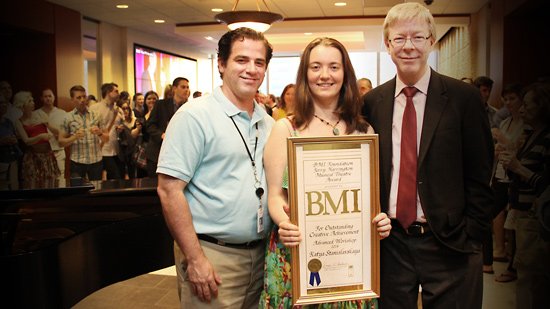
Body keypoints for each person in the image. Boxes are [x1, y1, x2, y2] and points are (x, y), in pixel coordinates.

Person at [361, 3, 494, 308]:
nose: (409, 46)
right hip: (390, 245)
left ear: (432, 42)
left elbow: (481, 172)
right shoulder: (372, 103)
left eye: (418, 37)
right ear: (387, 45)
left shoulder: (464, 99)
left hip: (450, 244)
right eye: (399, 38)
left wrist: (471, 233)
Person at [259, 37, 391, 309]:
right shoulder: (286, 129)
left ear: (345, 73)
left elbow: (367, 199)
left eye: (334, 67)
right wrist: (283, 223)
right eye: (316, 67)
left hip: (349, 258)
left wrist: (378, 220)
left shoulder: (364, 132)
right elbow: (274, 195)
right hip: (297, 252)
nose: (325, 75)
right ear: (305, 74)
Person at [156, 27, 275, 308]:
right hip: (212, 256)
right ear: (221, 64)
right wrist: (195, 259)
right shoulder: (194, 116)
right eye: (241, 60)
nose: (251, 69)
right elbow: (168, 190)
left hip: (261, 255)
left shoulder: (267, 121)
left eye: (259, 63)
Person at [500, 81, 550, 309]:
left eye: (527, 104)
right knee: (525, 273)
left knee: (531, 278)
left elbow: (544, 184)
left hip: (535, 218)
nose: (521, 109)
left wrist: (518, 167)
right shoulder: (529, 135)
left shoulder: (546, 139)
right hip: (522, 213)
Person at [13, 91, 60, 188]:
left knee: (51, 184)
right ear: (23, 104)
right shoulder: (19, 121)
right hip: (33, 157)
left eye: (33, 100)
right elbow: (26, 141)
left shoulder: (41, 114)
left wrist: (49, 126)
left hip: (47, 156)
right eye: (30, 101)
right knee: (33, 184)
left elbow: (56, 130)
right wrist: (40, 136)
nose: (33, 103)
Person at [145, 77, 189, 177]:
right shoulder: (161, 104)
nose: (186, 90)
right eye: (183, 87)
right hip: (158, 154)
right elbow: (150, 125)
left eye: (187, 87)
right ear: (174, 89)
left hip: (177, 155)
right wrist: (161, 135)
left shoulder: (188, 107)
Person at [58, 85, 103, 181]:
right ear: (72, 99)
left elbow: (106, 138)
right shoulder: (67, 117)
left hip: (96, 161)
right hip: (77, 162)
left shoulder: (96, 115)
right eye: (78, 97)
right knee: (77, 192)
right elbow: (61, 142)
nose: (82, 100)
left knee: (97, 191)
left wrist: (99, 133)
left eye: (84, 96)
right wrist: (74, 137)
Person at [90, 82, 124, 179]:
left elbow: (119, 126)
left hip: (116, 149)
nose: (119, 93)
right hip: (102, 149)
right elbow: (91, 128)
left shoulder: (118, 110)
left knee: (115, 179)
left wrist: (120, 129)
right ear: (109, 92)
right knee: (113, 176)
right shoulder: (95, 108)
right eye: (116, 91)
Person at [34, 88, 67, 180]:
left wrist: (57, 132)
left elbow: (65, 133)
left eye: (50, 96)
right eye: (45, 96)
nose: (48, 98)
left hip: (58, 151)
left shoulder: (62, 113)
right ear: (41, 98)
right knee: (42, 180)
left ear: (54, 97)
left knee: (60, 179)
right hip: (41, 154)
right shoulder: (35, 114)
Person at [0, 94, 22, 189]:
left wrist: (14, 139)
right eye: (1, 103)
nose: (4, 105)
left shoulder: (8, 122)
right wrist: (2, 141)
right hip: (1, 161)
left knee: (13, 188)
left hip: (12, 160)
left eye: (5, 103)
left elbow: (14, 137)